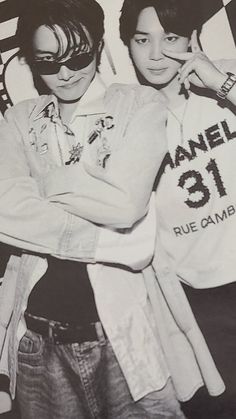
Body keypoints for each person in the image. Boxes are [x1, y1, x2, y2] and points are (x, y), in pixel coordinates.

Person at [0, 0, 188, 418]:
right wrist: (108, 242)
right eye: (48, 62)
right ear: (31, 61)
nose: (65, 74)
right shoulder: (17, 120)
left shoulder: (139, 104)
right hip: (35, 340)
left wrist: (45, 185)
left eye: (77, 57)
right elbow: (3, 207)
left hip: (123, 336)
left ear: (99, 47)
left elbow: (125, 206)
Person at [120, 0, 236, 418]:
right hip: (197, 300)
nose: (155, 55)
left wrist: (221, 83)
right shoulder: (123, 115)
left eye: (169, 38)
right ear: (125, 46)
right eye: (141, 40)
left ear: (192, 38)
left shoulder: (225, 76)